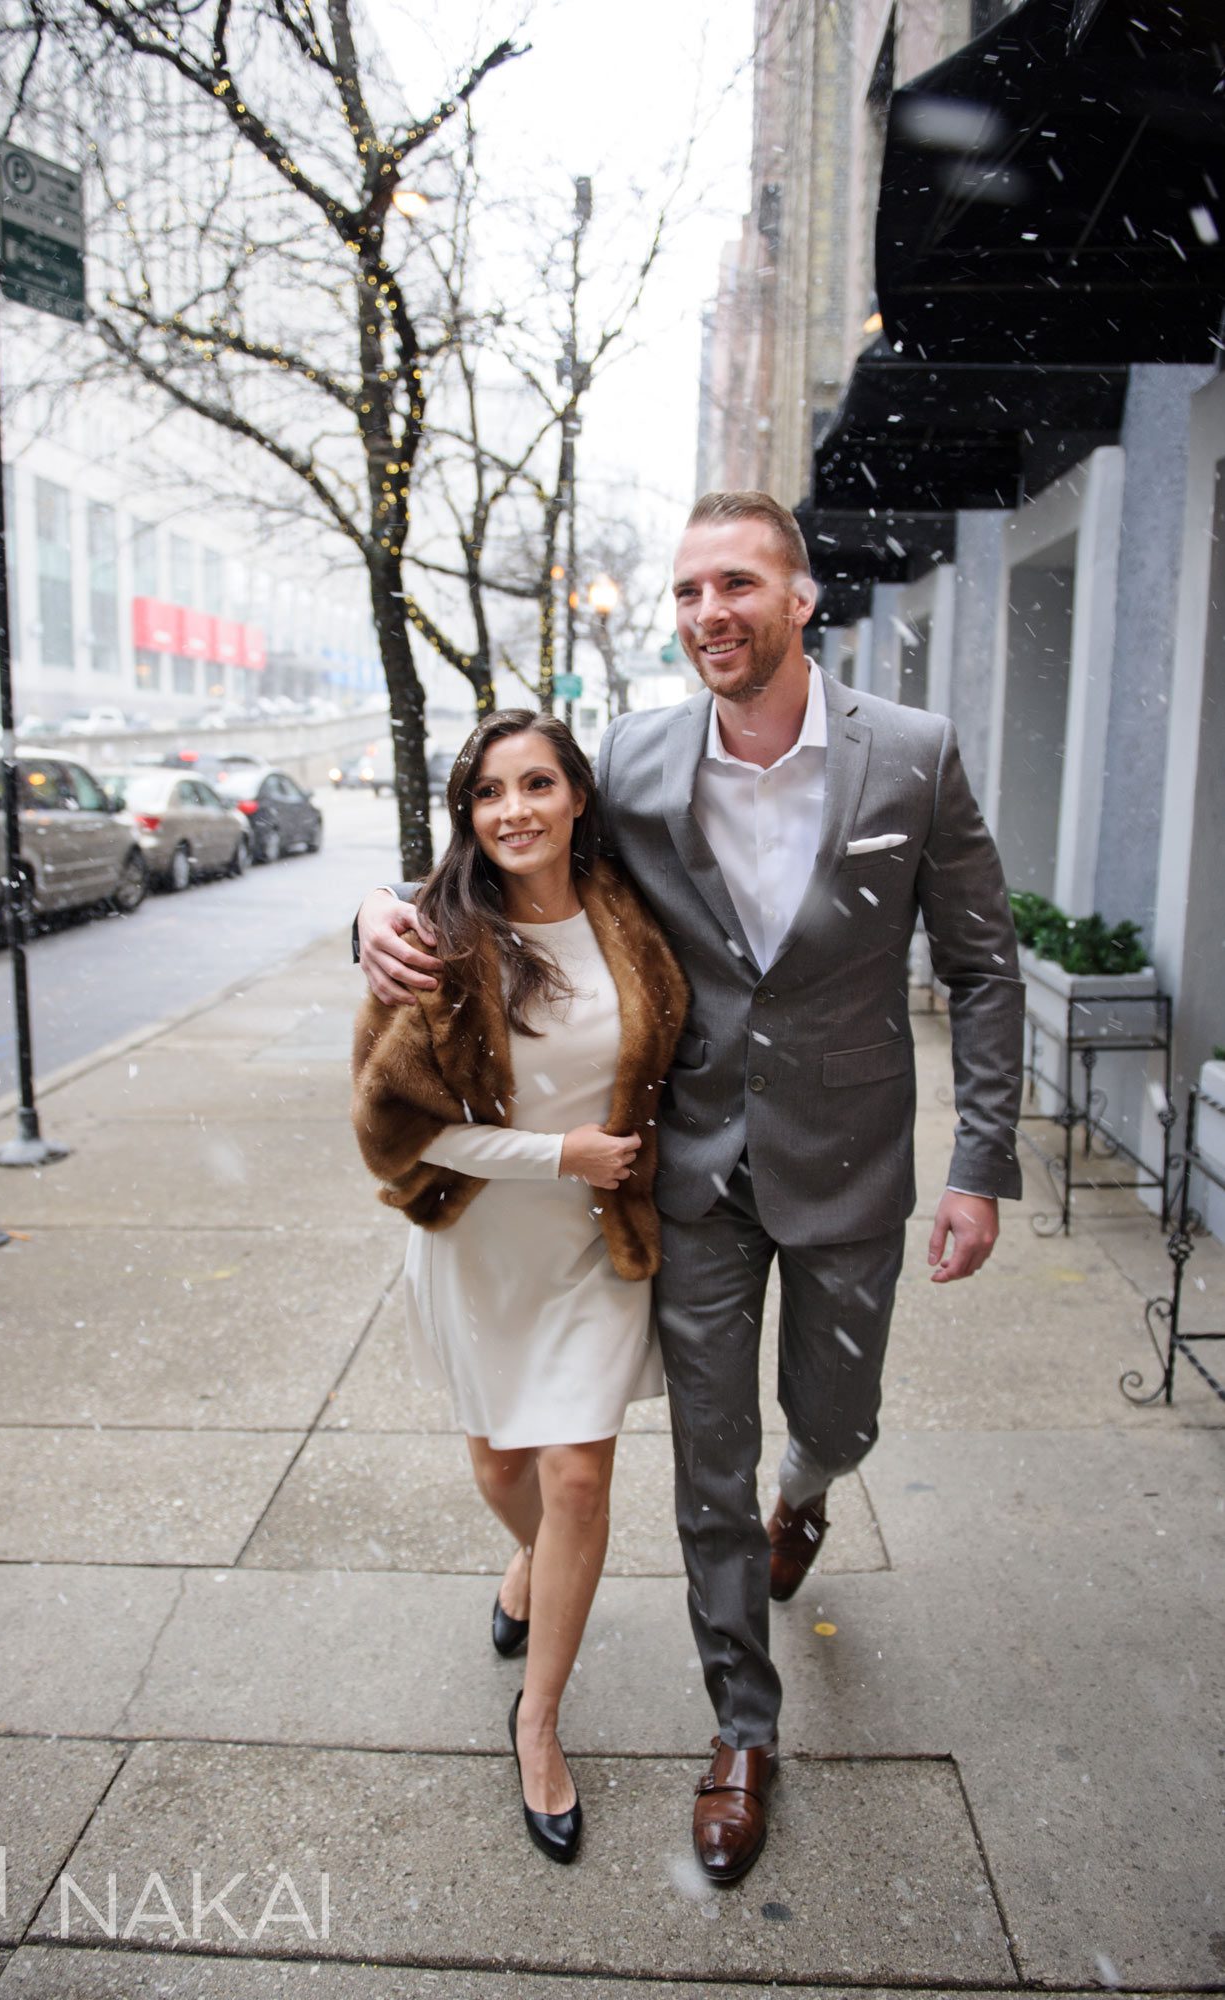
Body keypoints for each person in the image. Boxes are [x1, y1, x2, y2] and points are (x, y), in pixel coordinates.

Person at [356, 492, 1024, 1886]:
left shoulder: (909, 760)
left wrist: (978, 1163)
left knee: (831, 1419)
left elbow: (980, 967)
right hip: (695, 1180)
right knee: (698, 1475)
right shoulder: (643, 763)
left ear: (797, 601)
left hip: (850, 1169)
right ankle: (740, 1729)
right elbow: (504, 857)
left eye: (736, 585)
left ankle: (813, 1488)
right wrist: (367, 920)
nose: (708, 614)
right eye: (685, 593)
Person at [350, 708, 687, 1866]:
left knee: (578, 1474)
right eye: (489, 794)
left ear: (577, 795)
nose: (514, 811)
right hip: (478, 1241)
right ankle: (528, 1561)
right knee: (501, 1465)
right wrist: (556, 1154)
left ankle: (537, 1721)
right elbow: (393, 1131)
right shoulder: (434, 939)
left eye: (536, 783)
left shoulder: (629, 918)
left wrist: (598, 1169)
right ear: (466, 815)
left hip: (597, 1244)